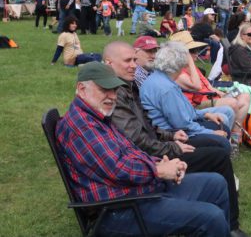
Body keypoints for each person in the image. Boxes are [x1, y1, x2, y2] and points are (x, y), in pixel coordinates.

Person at [56, 61, 231, 236]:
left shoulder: (97, 116)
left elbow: (130, 151)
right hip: (119, 209)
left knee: (215, 183)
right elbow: (119, 169)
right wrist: (159, 170)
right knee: (211, 217)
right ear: (81, 88)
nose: (112, 96)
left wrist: (163, 163)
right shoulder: (82, 125)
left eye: (115, 90)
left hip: (139, 192)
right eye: (104, 89)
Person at [103, 42, 246, 236]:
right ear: (108, 63)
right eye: (128, 61)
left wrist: (171, 136)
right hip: (153, 158)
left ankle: (225, 217)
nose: (134, 66)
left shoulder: (129, 86)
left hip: (157, 148)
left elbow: (148, 127)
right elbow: (139, 140)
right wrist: (172, 147)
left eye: (134, 60)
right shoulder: (116, 93)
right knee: (218, 152)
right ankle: (230, 224)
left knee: (218, 147)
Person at [139, 41, 236, 152]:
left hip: (173, 131)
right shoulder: (166, 88)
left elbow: (185, 112)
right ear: (180, 64)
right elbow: (182, 124)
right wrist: (211, 133)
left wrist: (205, 114)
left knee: (222, 123)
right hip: (173, 136)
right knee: (221, 140)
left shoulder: (160, 78)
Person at [173, 32, 251, 145]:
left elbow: (208, 86)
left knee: (244, 96)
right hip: (198, 103)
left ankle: (235, 134)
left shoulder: (192, 67)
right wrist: (190, 62)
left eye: (196, 50)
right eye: (191, 51)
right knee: (233, 103)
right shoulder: (177, 72)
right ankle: (230, 140)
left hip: (210, 96)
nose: (196, 54)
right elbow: (197, 86)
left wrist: (222, 93)